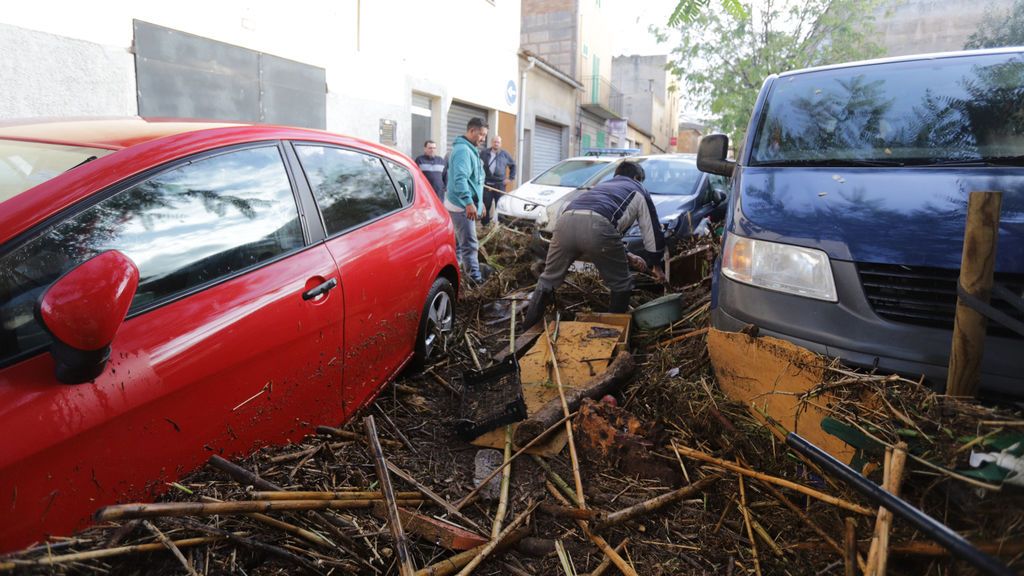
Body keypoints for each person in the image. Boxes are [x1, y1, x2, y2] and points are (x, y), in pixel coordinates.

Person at [523, 161, 666, 329]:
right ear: (637, 178)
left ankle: (527, 328)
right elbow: (650, 229)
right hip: (598, 227)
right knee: (622, 284)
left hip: (564, 223)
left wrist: (627, 254)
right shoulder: (638, 189)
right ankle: (612, 332)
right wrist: (656, 264)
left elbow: (602, 223)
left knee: (548, 279)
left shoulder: (602, 186)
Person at [445, 117, 488, 284]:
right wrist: (469, 203)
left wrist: (480, 202)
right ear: (472, 131)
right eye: (482, 135)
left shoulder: (470, 149)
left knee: (458, 243)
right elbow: (461, 179)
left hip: (465, 203)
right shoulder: (463, 151)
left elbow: (475, 181)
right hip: (460, 206)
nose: (483, 139)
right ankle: (474, 280)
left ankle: (456, 275)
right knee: (470, 244)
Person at [479, 136, 516, 226]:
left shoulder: (505, 154)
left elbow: (513, 165)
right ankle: (485, 226)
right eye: (495, 142)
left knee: (500, 206)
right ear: (492, 143)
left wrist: (510, 178)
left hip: (500, 184)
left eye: (498, 142)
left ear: (500, 143)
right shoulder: (484, 153)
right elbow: (477, 165)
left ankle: (499, 226)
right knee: (486, 206)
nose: (496, 144)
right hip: (487, 184)